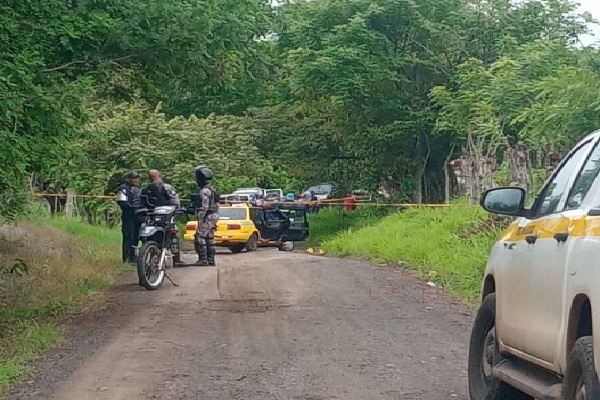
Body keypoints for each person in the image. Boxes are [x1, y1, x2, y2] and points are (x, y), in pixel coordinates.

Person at [194, 165, 220, 266]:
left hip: (207, 216)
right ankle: (211, 259)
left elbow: (204, 206)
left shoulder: (204, 191)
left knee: (199, 236)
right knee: (210, 237)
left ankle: (203, 259)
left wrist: (200, 217)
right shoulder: (213, 189)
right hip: (214, 215)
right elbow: (217, 205)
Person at [116, 170, 141, 264]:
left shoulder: (137, 189)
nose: (136, 180)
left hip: (137, 217)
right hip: (128, 217)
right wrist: (133, 207)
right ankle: (126, 258)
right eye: (133, 178)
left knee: (136, 237)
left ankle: (133, 257)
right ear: (128, 179)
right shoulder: (123, 189)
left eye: (137, 178)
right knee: (128, 237)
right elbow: (122, 202)